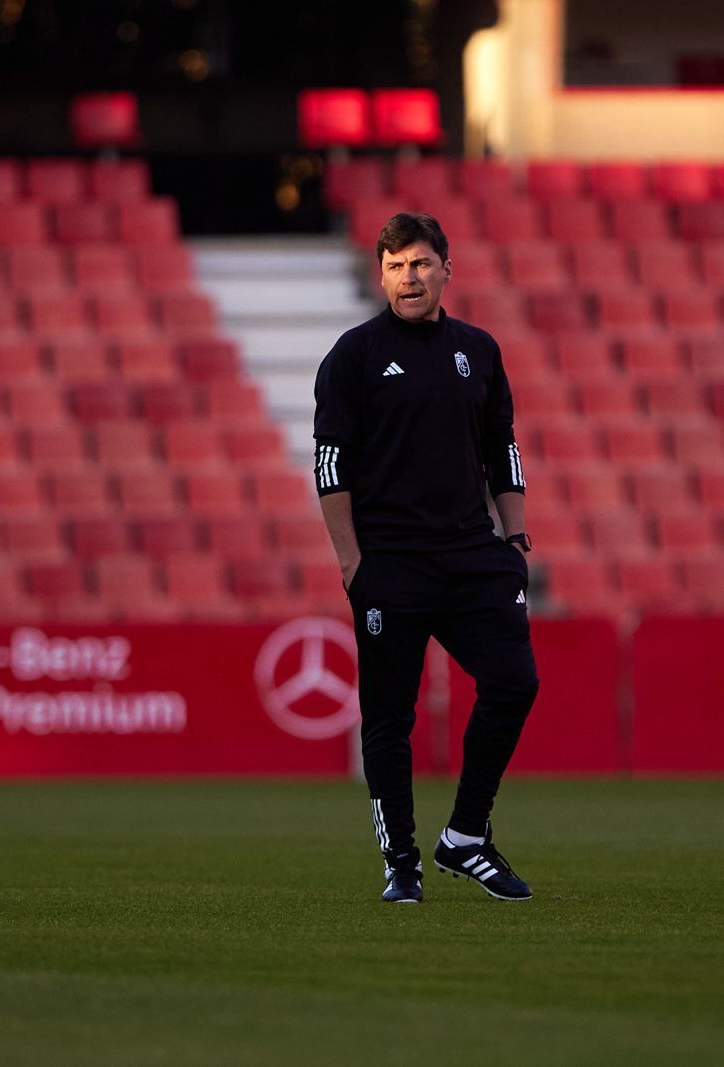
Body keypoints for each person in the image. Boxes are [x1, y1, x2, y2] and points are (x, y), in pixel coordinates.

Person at [313, 212, 538, 905]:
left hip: (474, 553)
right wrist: (353, 564)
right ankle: (401, 861)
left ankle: (466, 835)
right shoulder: (352, 356)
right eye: (394, 267)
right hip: (392, 562)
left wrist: (516, 535)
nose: (408, 278)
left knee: (514, 682)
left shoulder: (479, 348)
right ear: (380, 275)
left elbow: (501, 444)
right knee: (390, 718)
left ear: (446, 268)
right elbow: (330, 466)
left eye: (419, 264)